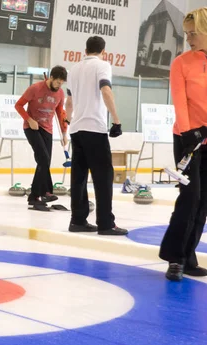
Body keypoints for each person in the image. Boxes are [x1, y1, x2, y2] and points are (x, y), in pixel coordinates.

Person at [159, 7, 207, 281]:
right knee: (189, 199)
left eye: (194, 33)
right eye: (186, 34)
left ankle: (189, 257)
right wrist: (190, 133)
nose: (189, 38)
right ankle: (174, 258)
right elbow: (180, 99)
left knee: (203, 203)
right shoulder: (181, 62)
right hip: (187, 139)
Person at [65, 35, 128, 236]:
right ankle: (106, 223)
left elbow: (69, 102)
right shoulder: (102, 66)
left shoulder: (73, 70)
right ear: (103, 51)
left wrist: (68, 122)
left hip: (76, 129)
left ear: (85, 51)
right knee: (103, 176)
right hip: (94, 127)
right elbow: (106, 91)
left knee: (79, 177)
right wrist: (116, 121)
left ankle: (78, 220)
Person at [15, 65, 69, 211]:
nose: (59, 85)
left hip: (47, 129)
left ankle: (36, 195)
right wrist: (29, 120)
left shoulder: (60, 93)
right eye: (57, 82)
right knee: (43, 158)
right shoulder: (35, 88)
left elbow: (60, 113)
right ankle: (45, 192)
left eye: (62, 83)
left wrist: (64, 133)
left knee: (44, 162)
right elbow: (18, 105)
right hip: (32, 128)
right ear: (51, 78)